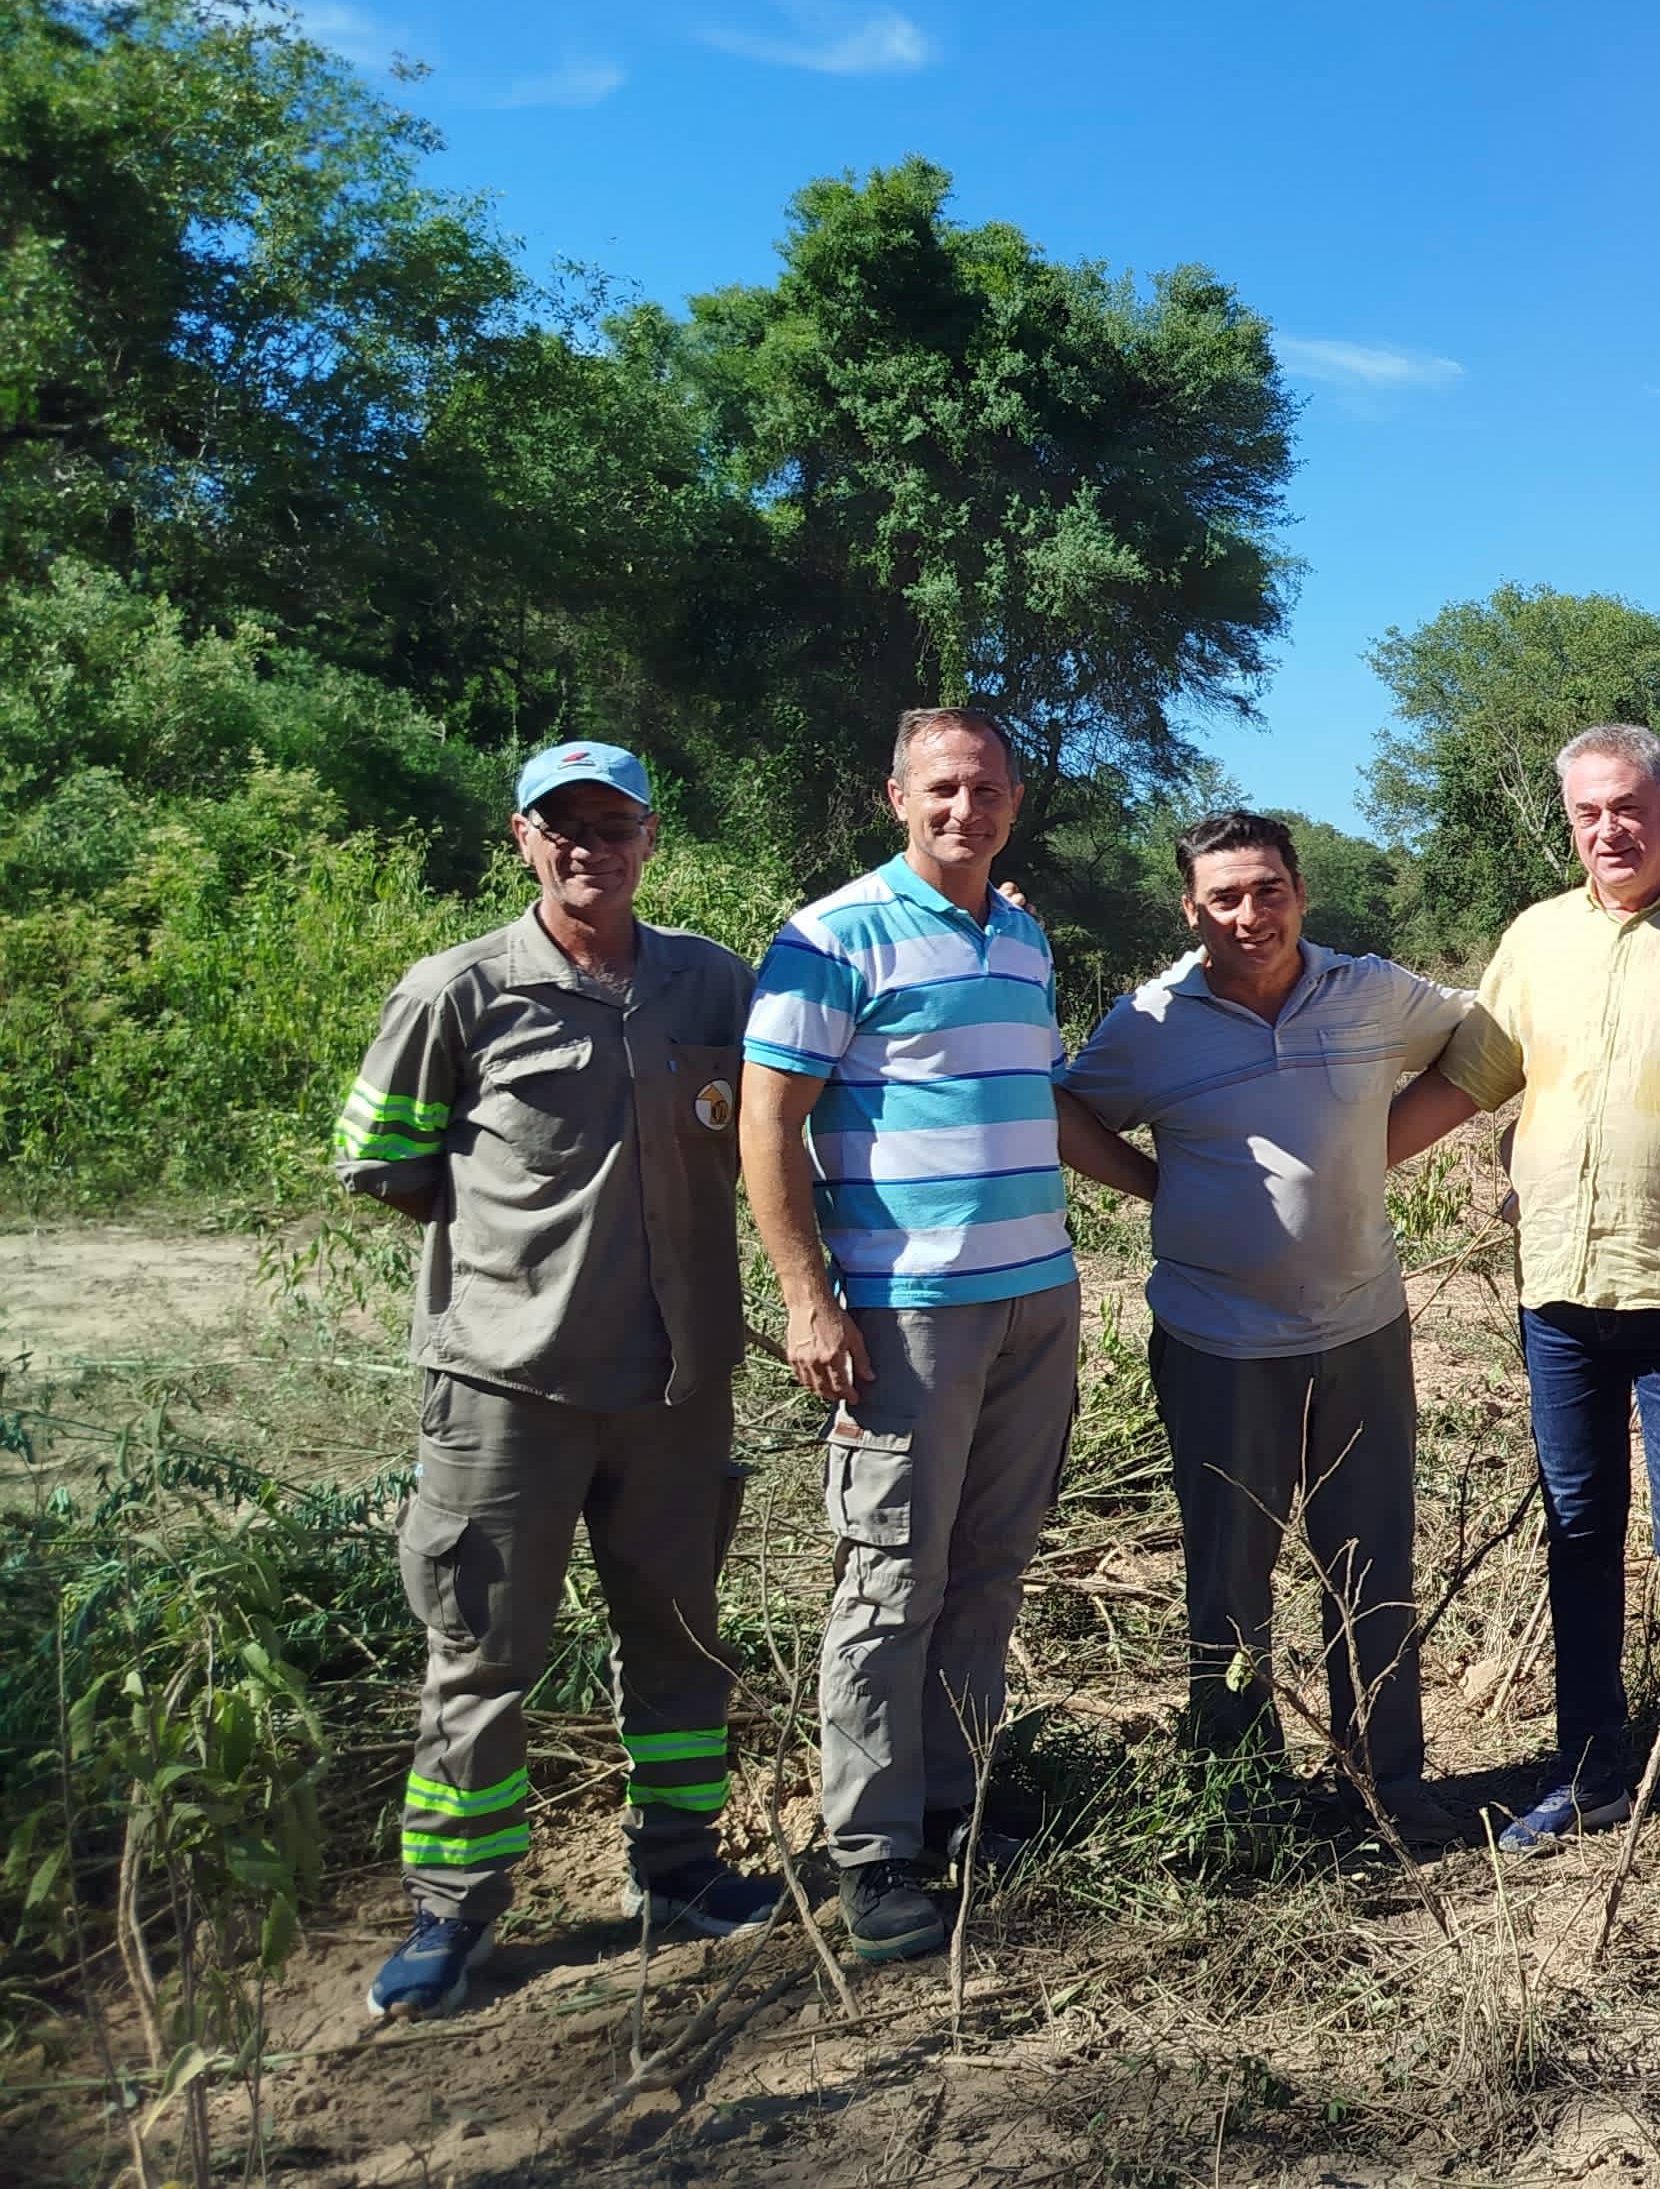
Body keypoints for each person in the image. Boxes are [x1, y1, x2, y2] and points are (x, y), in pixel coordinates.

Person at [335, 741, 779, 2018]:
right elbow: (387, 1162)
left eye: (615, 824)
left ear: (651, 836)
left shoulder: (710, 982)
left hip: (679, 1391)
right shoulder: (458, 989)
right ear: (523, 838)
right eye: (563, 826)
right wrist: (522, 1272)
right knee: (480, 1658)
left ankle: (682, 1872)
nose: (591, 847)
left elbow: (790, 1103)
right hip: (504, 1397)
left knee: (682, 1647)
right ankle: (453, 1915)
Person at [739, 707, 1149, 1964]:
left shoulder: (1020, 936)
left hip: (1036, 1299)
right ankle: (872, 1849)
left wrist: (1157, 1186)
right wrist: (809, 1296)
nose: (963, 810)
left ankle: (956, 1807)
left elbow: (1037, 1103)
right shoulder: (829, 936)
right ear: (895, 795)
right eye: (940, 789)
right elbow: (767, 1124)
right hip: (905, 1314)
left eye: (985, 789)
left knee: (986, 1570)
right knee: (889, 1581)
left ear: (1014, 802)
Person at [1390, 723, 1660, 1899]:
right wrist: (1339, 1170)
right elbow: (1465, 1079)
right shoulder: (1534, 941)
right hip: (1559, 1305)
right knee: (1576, 1541)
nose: (1610, 830)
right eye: (1588, 813)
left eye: (1629, 807)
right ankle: (1590, 1770)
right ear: (1570, 821)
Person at [1058, 810, 1512, 1846]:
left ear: (1299, 891)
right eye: (1224, 897)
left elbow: (1480, 1042)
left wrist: (1377, 1152)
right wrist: (1154, 1188)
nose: (1249, 914)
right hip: (1218, 1341)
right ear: (1191, 909)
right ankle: (1241, 1802)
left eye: (1268, 890)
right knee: (1227, 1574)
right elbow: (1062, 1108)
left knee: (1372, 1562)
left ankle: (1385, 1787)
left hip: (1360, 1327)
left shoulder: (1369, 992)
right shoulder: (1150, 1022)